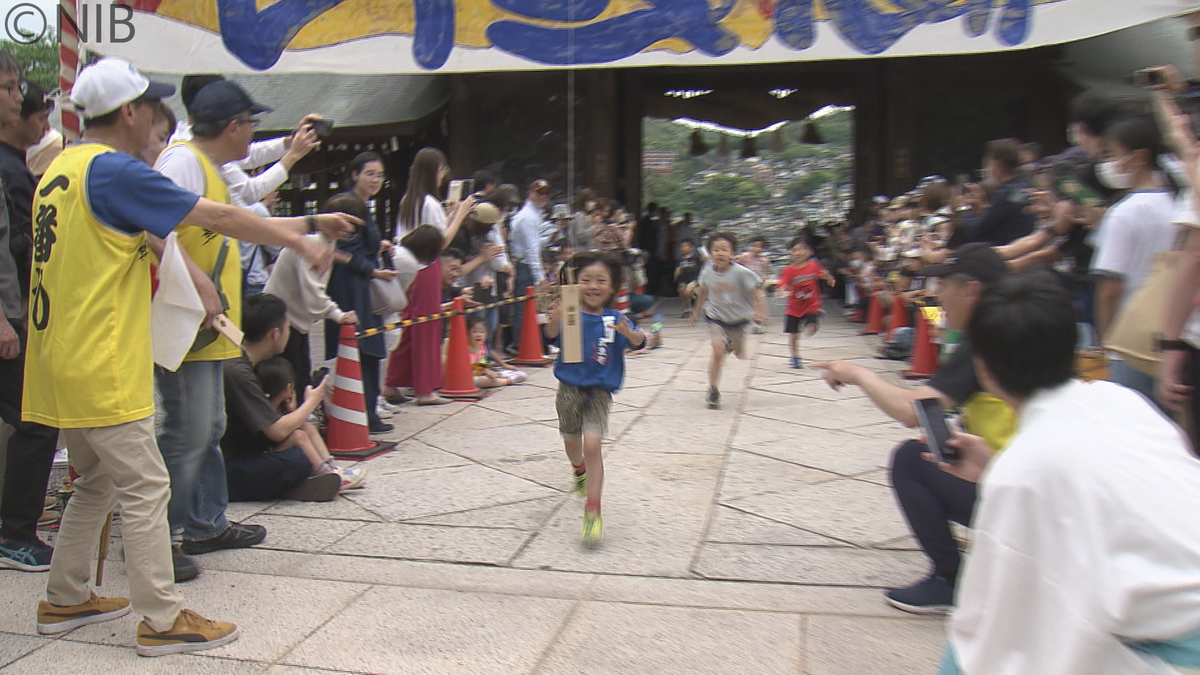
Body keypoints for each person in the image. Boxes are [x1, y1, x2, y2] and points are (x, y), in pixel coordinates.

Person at [23, 57, 352, 656]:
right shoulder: (113, 170)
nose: (156, 117)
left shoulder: (64, 167)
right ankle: (161, 617)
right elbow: (221, 216)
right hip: (101, 359)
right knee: (146, 486)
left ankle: (65, 598)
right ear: (129, 112)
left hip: (60, 356)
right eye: (150, 105)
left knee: (95, 481)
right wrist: (300, 239)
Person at [934, 271, 1200, 675]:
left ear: (983, 368)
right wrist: (998, 465)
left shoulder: (1026, 467)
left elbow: (987, 622)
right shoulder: (1121, 401)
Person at [812, 243, 1016, 615]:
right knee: (938, 445)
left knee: (909, 459)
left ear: (971, 291)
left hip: (1016, 499)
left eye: (944, 287)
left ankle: (950, 581)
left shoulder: (986, 340)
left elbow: (913, 410)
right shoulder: (1022, 327)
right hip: (1046, 493)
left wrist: (858, 374)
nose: (937, 295)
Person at [152, 79, 276, 579]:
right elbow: (151, 226)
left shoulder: (211, 168)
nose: (252, 133)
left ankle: (205, 522)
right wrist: (199, 283)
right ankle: (156, 537)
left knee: (209, 427)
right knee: (186, 430)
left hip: (208, 326)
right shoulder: (182, 162)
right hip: (186, 323)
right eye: (251, 123)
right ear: (233, 126)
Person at [0, 53, 60, 573]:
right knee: (35, 422)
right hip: (10, 314)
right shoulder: (5, 165)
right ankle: (16, 533)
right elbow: (12, 245)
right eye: (11, 90)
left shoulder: (15, 163)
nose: (22, 101)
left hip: (19, 311)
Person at [545, 252, 646, 546]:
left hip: (600, 390)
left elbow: (640, 339)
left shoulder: (616, 318)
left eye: (601, 280)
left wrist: (631, 334)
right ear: (576, 284)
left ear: (612, 287)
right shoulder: (571, 313)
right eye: (586, 279)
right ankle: (578, 470)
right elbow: (550, 336)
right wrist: (556, 318)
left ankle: (593, 510)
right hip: (569, 388)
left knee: (593, 443)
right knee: (571, 441)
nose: (593, 285)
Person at [221, 295, 363, 504]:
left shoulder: (245, 362)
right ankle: (297, 483)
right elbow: (276, 430)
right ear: (275, 334)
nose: (289, 333)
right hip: (228, 468)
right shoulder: (239, 372)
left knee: (302, 431)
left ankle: (330, 473)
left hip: (245, 451)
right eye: (288, 328)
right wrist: (312, 402)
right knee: (296, 461)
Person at [1090, 113, 1177, 404]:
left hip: (1129, 344)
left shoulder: (1125, 212)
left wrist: (1106, 344)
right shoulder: (1178, 203)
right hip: (1173, 339)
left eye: (1112, 154)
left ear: (1139, 157)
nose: (1107, 164)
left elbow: (1110, 290)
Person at [385, 148, 471, 406]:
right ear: (435, 171)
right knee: (427, 327)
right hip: (427, 265)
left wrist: (451, 214)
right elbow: (441, 240)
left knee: (409, 326)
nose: (443, 175)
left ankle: (392, 383)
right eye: (441, 169)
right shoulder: (430, 202)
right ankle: (425, 389)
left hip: (407, 265)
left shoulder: (408, 200)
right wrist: (462, 213)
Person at [325, 153, 395, 423]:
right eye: (370, 173)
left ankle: (367, 410)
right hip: (351, 284)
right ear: (354, 174)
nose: (376, 180)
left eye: (379, 175)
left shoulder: (363, 205)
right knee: (361, 344)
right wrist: (374, 269)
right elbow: (342, 251)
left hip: (361, 281)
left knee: (368, 345)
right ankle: (363, 413)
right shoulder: (348, 206)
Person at [266, 194, 358, 394]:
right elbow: (312, 290)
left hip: (295, 320)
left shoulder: (327, 241)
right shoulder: (313, 240)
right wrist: (338, 315)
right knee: (288, 380)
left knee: (300, 376)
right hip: (281, 318)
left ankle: (298, 420)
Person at [688, 232, 766, 410]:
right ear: (710, 253)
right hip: (716, 318)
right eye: (716, 250)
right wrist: (695, 312)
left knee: (739, 353)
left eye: (724, 250)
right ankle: (713, 389)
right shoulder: (707, 273)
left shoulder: (741, 273)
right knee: (717, 350)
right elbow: (702, 293)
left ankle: (732, 345)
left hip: (738, 320)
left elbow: (757, 292)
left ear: (732, 253)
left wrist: (759, 311)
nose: (720, 253)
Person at [0, 78, 52, 299]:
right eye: (41, 119)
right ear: (16, 119)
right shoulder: (9, 170)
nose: (47, 127)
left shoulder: (15, 165)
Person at [959, 139, 1036, 246]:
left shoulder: (1006, 195)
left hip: (1006, 253)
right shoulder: (1025, 184)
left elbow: (975, 232)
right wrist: (980, 211)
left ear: (997, 164)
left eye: (987, 163)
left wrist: (966, 210)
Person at [508, 179, 552, 350]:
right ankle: (520, 344)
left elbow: (534, 245)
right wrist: (540, 277)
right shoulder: (528, 217)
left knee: (527, 308)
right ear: (530, 193)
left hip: (525, 263)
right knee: (523, 308)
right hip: (524, 266)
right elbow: (531, 249)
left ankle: (525, 343)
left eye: (545, 194)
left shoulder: (532, 215)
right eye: (539, 193)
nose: (542, 197)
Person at [776, 237, 833, 368]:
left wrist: (829, 278)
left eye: (803, 249)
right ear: (791, 253)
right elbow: (783, 282)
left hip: (811, 304)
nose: (799, 252)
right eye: (795, 250)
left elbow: (822, 273)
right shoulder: (788, 270)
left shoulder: (813, 265)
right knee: (793, 334)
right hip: (794, 307)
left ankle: (814, 322)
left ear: (810, 252)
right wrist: (780, 290)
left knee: (812, 322)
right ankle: (795, 356)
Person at [463, 314, 527, 388]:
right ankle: (508, 381)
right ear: (468, 334)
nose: (479, 335)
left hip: (482, 373)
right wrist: (485, 370)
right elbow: (470, 365)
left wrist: (504, 365)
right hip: (470, 378)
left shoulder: (482, 346)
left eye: (482, 332)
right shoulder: (467, 349)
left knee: (499, 374)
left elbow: (491, 353)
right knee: (487, 380)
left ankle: (504, 377)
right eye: (475, 332)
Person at [674, 238, 703, 318]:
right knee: (682, 293)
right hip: (684, 280)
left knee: (691, 291)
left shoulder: (696, 257)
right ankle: (687, 310)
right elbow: (677, 269)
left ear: (691, 247)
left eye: (686, 246)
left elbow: (703, 262)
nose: (684, 248)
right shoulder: (680, 259)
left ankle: (698, 307)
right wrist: (676, 274)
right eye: (682, 246)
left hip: (695, 280)